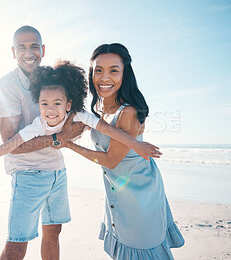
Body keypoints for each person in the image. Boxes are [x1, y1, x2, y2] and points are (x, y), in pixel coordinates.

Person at [0, 26, 161, 260]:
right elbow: (10, 143)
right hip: (27, 174)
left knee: (54, 230)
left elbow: (98, 126)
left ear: (43, 50)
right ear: (12, 52)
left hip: (56, 171)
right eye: (21, 47)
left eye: (34, 46)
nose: (28, 52)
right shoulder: (7, 88)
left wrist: (135, 144)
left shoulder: (51, 81)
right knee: (17, 242)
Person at [60, 43, 184, 259]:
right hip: (118, 193)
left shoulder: (128, 111)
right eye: (98, 70)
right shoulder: (101, 110)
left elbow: (110, 161)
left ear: (125, 74)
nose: (104, 77)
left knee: (140, 249)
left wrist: (69, 145)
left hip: (140, 196)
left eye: (113, 71)